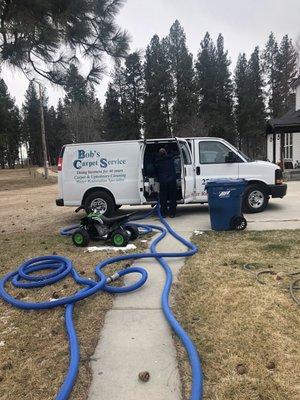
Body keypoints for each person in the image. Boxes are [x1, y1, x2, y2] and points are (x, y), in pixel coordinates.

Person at [154, 148, 177, 218]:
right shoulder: (171, 159)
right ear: (166, 153)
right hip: (172, 180)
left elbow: (155, 172)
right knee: (172, 197)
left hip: (163, 181)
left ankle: (163, 213)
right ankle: (172, 213)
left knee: (163, 198)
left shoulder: (157, 161)